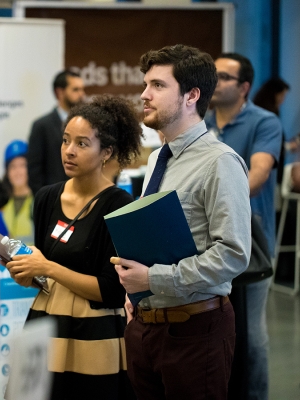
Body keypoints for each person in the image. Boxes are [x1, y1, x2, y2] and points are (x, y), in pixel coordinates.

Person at [113, 44, 251, 400]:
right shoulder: (160, 156)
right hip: (146, 327)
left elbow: (234, 254)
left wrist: (153, 279)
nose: (144, 94)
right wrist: (139, 294)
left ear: (192, 95)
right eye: (146, 85)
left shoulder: (220, 162)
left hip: (196, 331)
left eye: (158, 85)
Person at [6, 94, 143, 400]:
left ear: (106, 151)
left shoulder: (119, 205)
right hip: (45, 324)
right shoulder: (45, 197)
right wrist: (26, 272)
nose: (69, 151)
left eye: (82, 144)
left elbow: (113, 290)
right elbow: (42, 273)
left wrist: (48, 268)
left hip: (94, 333)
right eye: (66, 140)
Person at [206, 53, 282, 400]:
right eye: (213, 75)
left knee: (251, 337)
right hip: (205, 246)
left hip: (251, 247)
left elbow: (258, 177)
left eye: (224, 77)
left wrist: (210, 198)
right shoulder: (202, 124)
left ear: (244, 87)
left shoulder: (265, 123)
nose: (216, 82)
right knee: (214, 334)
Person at [27, 69, 86, 194]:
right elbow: (34, 172)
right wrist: (46, 201)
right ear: (60, 92)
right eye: (75, 90)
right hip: (53, 200)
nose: (82, 94)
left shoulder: (88, 125)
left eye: (82, 89)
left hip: (83, 197)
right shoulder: (42, 126)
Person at [1, 139, 34, 245]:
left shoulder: (38, 201)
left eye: (22, 165)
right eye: (13, 166)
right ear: (7, 172)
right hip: (6, 261)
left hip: (33, 260)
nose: (18, 171)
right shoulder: (1, 204)